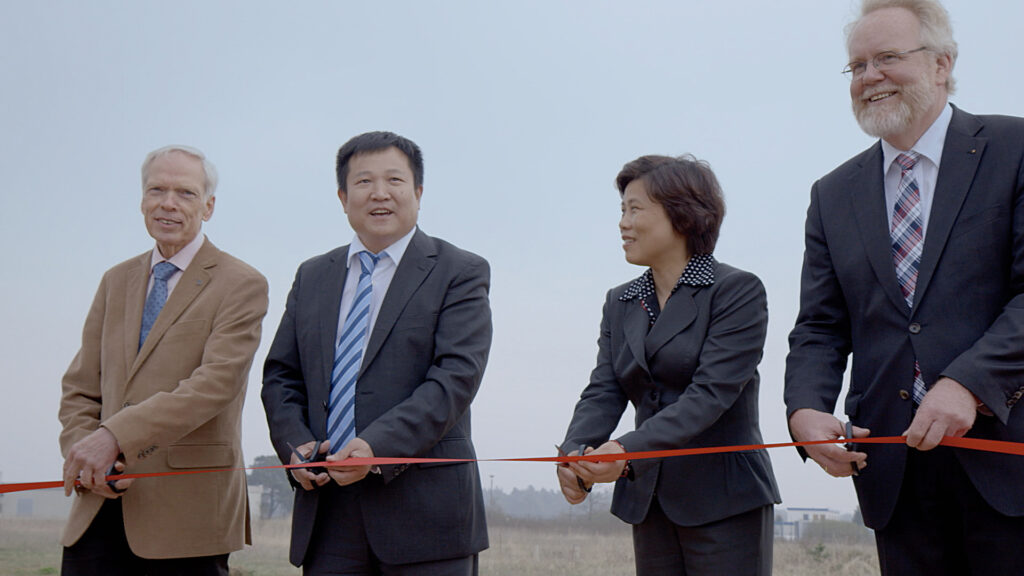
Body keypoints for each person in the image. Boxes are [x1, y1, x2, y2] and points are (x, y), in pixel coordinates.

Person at [785, 0, 1024, 573]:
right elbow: (819, 326)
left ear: (942, 64)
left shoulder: (1014, 150)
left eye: (887, 58)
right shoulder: (832, 194)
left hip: (1007, 461)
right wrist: (805, 410)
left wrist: (968, 383)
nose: (870, 77)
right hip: (893, 471)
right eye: (857, 65)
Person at [261, 131, 491, 575]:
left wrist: (376, 447)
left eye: (394, 181)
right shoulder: (312, 276)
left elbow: (455, 378)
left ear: (418, 193)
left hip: (427, 518)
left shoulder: (459, 271)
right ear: (343, 197)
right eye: (364, 182)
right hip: (328, 514)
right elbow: (281, 376)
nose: (380, 194)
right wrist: (296, 445)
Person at [558, 154, 780, 575]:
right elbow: (604, 389)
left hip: (725, 500)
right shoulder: (620, 300)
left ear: (682, 214)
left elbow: (710, 395)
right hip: (651, 499)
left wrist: (625, 450)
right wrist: (574, 454)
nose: (623, 223)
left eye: (635, 209)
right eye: (621, 210)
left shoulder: (735, 291)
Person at [58, 145, 269, 575]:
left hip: (187, 518)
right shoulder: (116, 281)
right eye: (156, 190)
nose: (168, 203)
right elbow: (81, 386)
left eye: (185, 193)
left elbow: (215, 385)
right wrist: (87, 456)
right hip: (99, 507)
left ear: (208, 206)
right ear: (142, 201)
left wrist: (115, 436)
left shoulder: (241, 283)